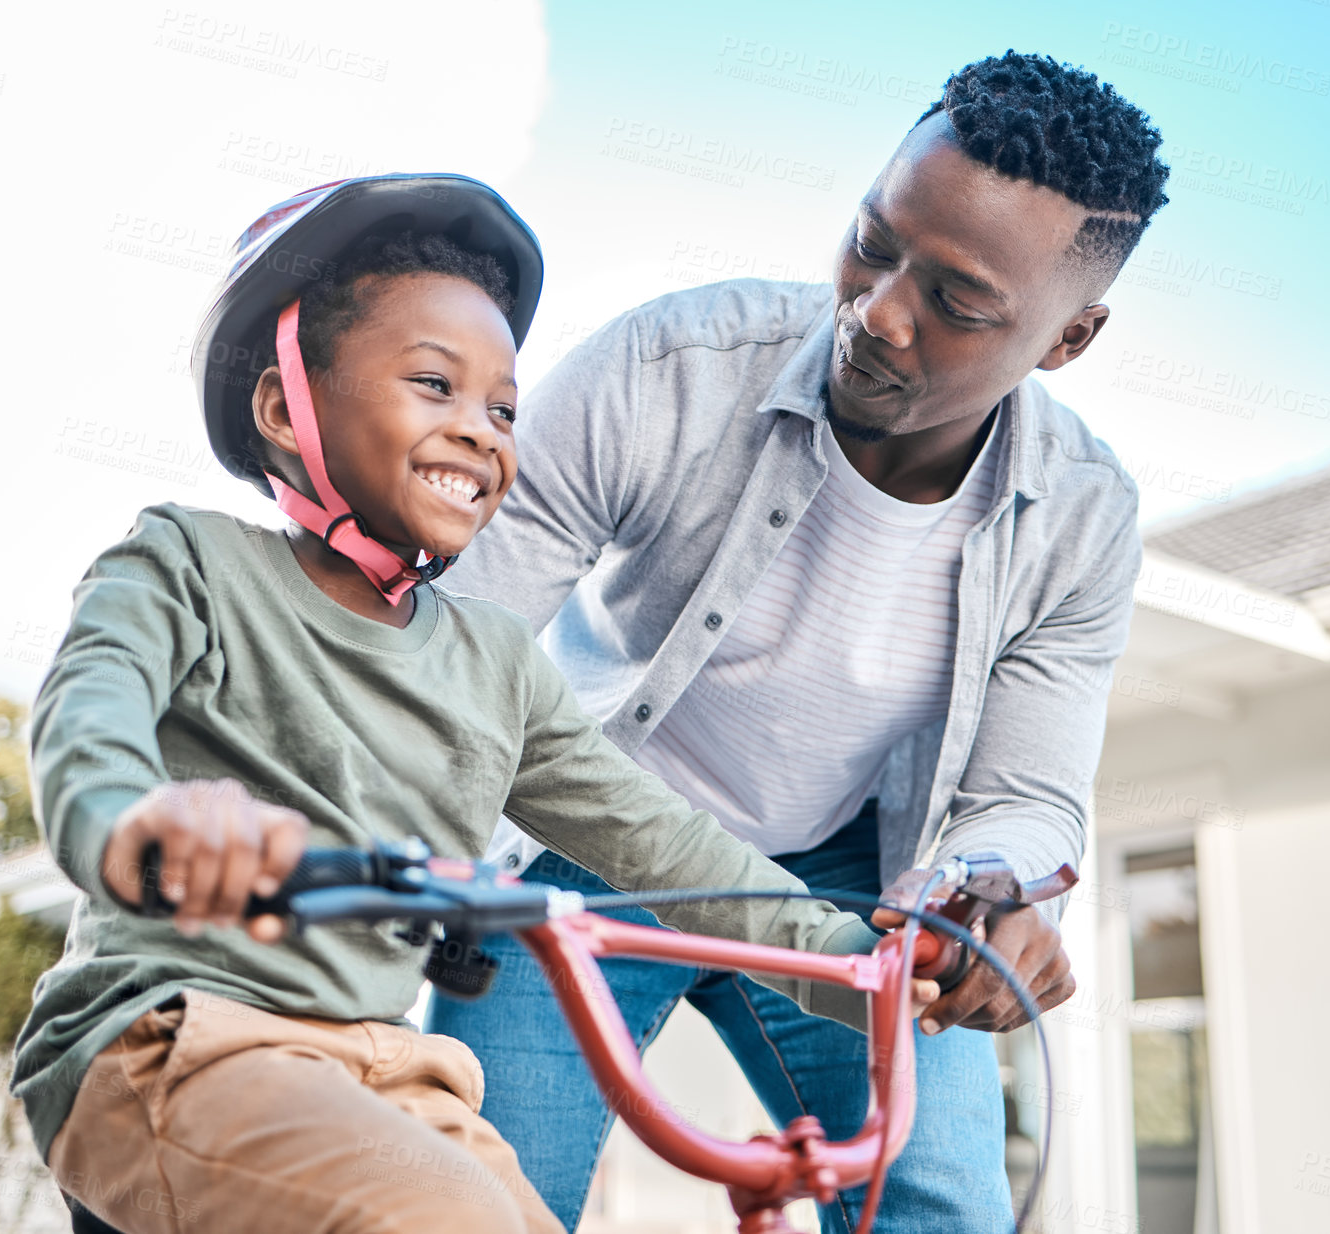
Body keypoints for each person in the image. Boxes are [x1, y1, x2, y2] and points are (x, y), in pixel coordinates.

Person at [9, 174, 929, 1234]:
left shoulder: (494, 661)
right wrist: (138, 819)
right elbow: (88, 720)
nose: (483, 432)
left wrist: (857, 964)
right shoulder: (185, 562)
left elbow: (661, 845)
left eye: (500, 406)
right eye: (433, 385)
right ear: (280, 406)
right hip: (169, 1041)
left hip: (389, 1073)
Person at [427, 51, 1169, 1233]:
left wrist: (991, 888)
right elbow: (448, 660)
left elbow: (1024, 795)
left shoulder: (1080, 518)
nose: (876, 311)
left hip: (852, 885)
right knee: (473, 1199)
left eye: (957, 302)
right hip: (581, 834)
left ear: (1064, 338)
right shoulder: (667, 370)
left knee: (940, 1208)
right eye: (874, 243)